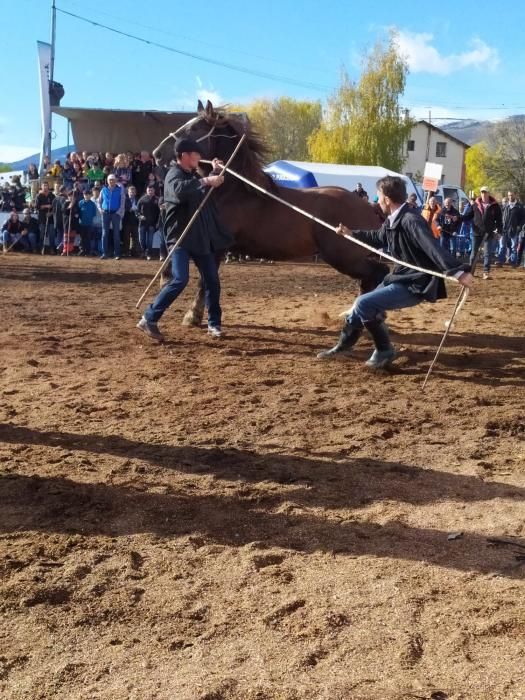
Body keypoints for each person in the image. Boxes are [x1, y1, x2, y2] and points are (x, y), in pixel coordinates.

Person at [317, 176, 473, 369]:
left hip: (416, 283)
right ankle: (343, 346)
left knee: (363, 302)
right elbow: (378, 237)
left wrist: (458, 272)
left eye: (379, 196)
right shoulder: (394, 220)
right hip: (400, 276)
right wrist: (351, 233)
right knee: (360, 307)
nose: (377, 200)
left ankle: (384, 350)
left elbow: (432, 247)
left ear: (387, 199)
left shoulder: (411, 220)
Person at [136, 137, 233, 342]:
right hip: (180, 236)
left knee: (212, 280)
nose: (199, 158)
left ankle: (214, 323)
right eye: (196, 155)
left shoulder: (191, 175)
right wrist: (207, 179)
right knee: (180, 279)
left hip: (199, 236)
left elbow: (201, 191)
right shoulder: (173, 174)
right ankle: (149, 318)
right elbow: (180, 191)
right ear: (185, 156)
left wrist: (215, 174)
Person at [462, 185, 502, 280]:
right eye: (482, 192)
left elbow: (499, 220)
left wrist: (499, 231)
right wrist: (459, 218)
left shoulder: (495, 205)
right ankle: (471, 272)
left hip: (489, 233)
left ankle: (486, 272)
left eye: (485, 192)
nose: (483, 194)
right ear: (480, 193)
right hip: (476, 232)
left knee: (487, 253)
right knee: (474, 253)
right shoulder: (475, 204)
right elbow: (468, 215)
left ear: (488, 193)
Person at [98, 173, 125, 259]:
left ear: (115, 180)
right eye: (110, 180)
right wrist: (100, 210)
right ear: (107, 181)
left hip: (115, 214)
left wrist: (118, 212)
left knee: (116, 234)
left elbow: (122, 202)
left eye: (113, 179)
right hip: (105, 213)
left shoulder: (120, 190)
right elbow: (99, 201)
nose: (111, 181)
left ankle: (117, 254)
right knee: (104, 234)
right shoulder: (103, 190)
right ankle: (104, 253)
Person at [497, 191, 525, 267]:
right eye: (509, 195)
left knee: (513, 246)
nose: (510, 197)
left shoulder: (519, 206)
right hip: (504, 229)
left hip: (514, 229)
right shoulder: (505, 206)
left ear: (515, 195)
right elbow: (500, 217)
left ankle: (513, 262)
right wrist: (500, 227)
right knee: (502, 246)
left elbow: (523, 218)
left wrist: (519, 226)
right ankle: (500, 261)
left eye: (512, 195)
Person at [137, 184, 160, 260]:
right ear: (146, 191)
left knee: (150, 241)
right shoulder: (142, 199)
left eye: (151, 190)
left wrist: (157, 223)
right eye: (149, 190)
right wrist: (140, 216)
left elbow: (159, 213)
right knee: (141, 240)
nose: (150, 191)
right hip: (142, 223)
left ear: (154, 191)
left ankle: (149, 254)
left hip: (152, 224)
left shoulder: (157, 200)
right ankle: (143, 252)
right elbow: (137, 211)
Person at [35, 181, 56, 254]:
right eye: (44, 186)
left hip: (51, 218)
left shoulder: (52, 196)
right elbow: (36, 207)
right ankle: (41, 248)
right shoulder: (39, 196)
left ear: (48, 187)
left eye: (46, 186)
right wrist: (46, 206)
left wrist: (51, 213)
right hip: (42, 218)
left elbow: (55, 207)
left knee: (52, 235)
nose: (45, 187)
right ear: (42, 187)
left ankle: (52, 249)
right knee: (42, 234)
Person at [122, 185, 140, 257]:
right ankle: (126, 252)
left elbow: (140, 209)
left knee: (135, 238)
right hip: (127, 221)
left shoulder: (138, 200)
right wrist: (130, 209)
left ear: (135, 193)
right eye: (130, 192)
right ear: (128, 192)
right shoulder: (125, 200)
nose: (132, 193)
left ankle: (134, 252)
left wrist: (137, 210)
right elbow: (123, 209)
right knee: (126, 238)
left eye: (133, 192)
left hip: (135, 222)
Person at [78, 190, 98, 256]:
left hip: (89, 224)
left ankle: (88, 251)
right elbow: (78, 213)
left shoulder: (92, 204)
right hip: (81, 224)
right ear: (83, 195)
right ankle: (82, 250)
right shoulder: (80, 203)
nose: (86, 196)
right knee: (82, 238)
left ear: (90, 195)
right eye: (85, 194)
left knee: (88, 238)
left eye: (88, 194)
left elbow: (94, 214)